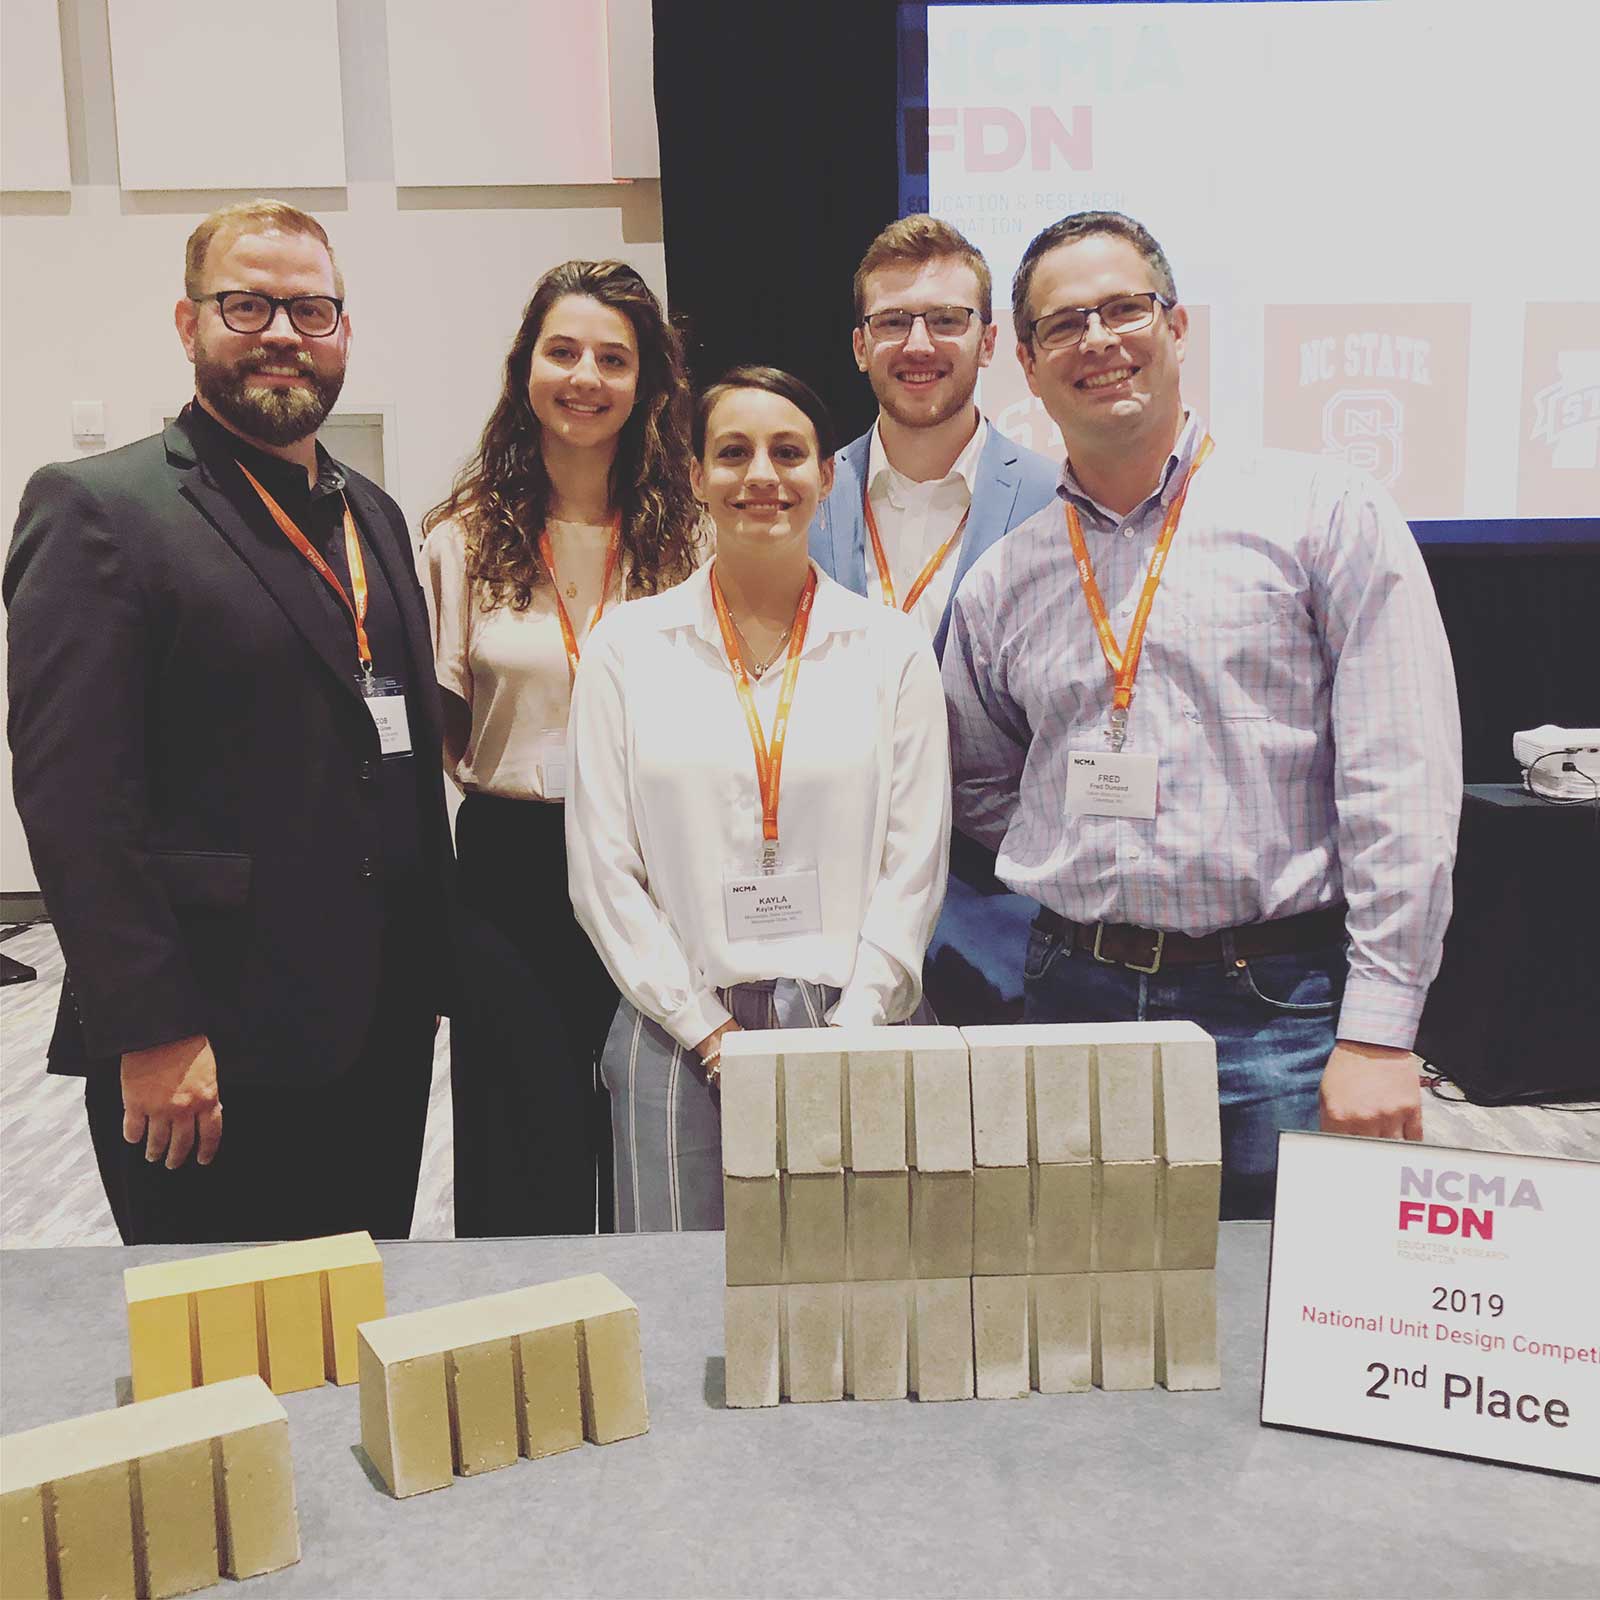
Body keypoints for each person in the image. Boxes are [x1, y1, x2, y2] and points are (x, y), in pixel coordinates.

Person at [943, 211, 1462, 1219]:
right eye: (1063, 324)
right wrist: (1084, 846)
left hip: (1278, 1006)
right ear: (1028, 363)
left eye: (1123, 308)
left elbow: (1401, 777)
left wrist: (1379, 1029)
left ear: (1176, 325)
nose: (1097, 340)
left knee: (1285, 1325)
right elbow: (978, 773)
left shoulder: (1320, 513)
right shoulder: (1006, 577)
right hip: (1072, 1002)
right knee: (1088, 1318)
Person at [5, 200, 456, 1243]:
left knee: (354, 1320)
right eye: (247, 305)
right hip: (210, 1038)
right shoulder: (101, 510)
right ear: (187, 323)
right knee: (222, 1361)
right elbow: (75, 803)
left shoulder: (371, 512)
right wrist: (152, 1026)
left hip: (376, 1024)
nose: (285, 333)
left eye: (312, 308)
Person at [567, 367, 950, 1231]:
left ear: (829, 476)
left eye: (789, 452)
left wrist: (851, 1031)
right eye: (732, 453)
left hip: (857, 1019)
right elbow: (602, 872)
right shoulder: (628, 649)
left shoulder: (889, 649)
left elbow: (915, 862)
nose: (762, 476)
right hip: (679, 1029)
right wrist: (706, 1031)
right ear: (697, 478)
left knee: (860, 1300)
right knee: (683, 1305)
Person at [419, 261, 702, 1237]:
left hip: (655, 863)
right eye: (564, 350)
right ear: (525, 367)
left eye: (613, 359)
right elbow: (437, 728)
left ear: (648, 386)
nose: (585, 376)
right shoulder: (460, 539)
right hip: (510, 862)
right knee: (520, 1128)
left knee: (654, 1120)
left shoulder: (690, 541)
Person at [811, 216, 1057, 1026]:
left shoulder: (1062, 503)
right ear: (859, 345)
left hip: (1005, 921)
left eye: (947, 320)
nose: (919, 342)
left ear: (989, 342)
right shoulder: (794, 500)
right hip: (828, 917)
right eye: (893, 322)